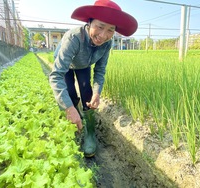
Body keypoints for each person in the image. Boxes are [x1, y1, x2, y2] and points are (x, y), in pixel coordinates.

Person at [49, 0, 137, 157]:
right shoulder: (73, 38)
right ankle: (75, 118)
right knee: (69, 94)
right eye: (100, 26)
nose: (103, 35)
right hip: (67, 65)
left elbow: (100, 71)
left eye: (111, 30)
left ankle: (90, 131)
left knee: (87, 93)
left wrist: (97, 93)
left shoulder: (106, 44)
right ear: (89, 23)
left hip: (84, 65)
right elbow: (56, 75)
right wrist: (68, 108)